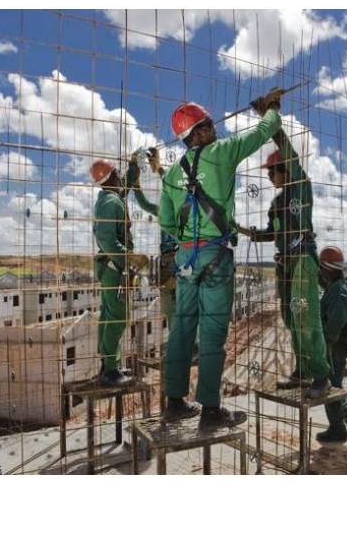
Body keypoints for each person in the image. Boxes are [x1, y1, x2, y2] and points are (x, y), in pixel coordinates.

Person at [159, 88, 283, 430]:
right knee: (212, 332)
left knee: (182, 328)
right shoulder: (222, 152)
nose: (215, 128)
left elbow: (167, 221)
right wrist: (271, 108)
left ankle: (174, 402)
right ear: (196, 132)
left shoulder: (171, 176)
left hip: (187, 259)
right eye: (209, 124)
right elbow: (262, 133)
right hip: (215, 254)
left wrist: (186, 239)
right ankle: (211, 410)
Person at [238, 127, 330, 398]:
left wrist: (274, 126)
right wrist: (250, 233)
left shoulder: (300, 189)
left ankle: (321, 375)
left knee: (304, 317)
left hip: (302, 259)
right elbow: (272, 233)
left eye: (272, 171)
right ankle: (303, 371)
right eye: (267, 173)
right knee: (291, 319)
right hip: (285, 264)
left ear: (285, 170)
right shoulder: (277, 204)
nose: (269, 177)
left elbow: (291, 156)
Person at [91, 158, 147, 386]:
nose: (119, 176)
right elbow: (106, 238)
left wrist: (133, 170)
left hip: (110, 267)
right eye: (117, 173)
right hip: (114, 267)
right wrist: (128, 258)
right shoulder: (111, 202)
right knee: (118, 316)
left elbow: (122, 189)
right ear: (112, 177)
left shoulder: (109, 197)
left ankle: (108, 365)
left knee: (108, 315)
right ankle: (110, 372)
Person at [129, 148, 178, 330]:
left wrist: (157, 170)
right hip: (170, 262)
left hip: (176, 261)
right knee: (172, 307)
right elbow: (143, 203)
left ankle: (187, 347)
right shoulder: (166, 210)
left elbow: (169, 187)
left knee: (176, 307)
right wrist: (137, 182)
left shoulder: (181, 210)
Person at [316, 246, 347, 443]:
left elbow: (336, 321)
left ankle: (338, 429)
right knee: (335, 382)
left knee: (331, 385)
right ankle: (346, 412)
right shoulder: (338, 285)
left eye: (321, 268)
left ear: (328, 268)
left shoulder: (339, 290)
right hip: (339, 343)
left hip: (336, 345)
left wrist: (326, 344)